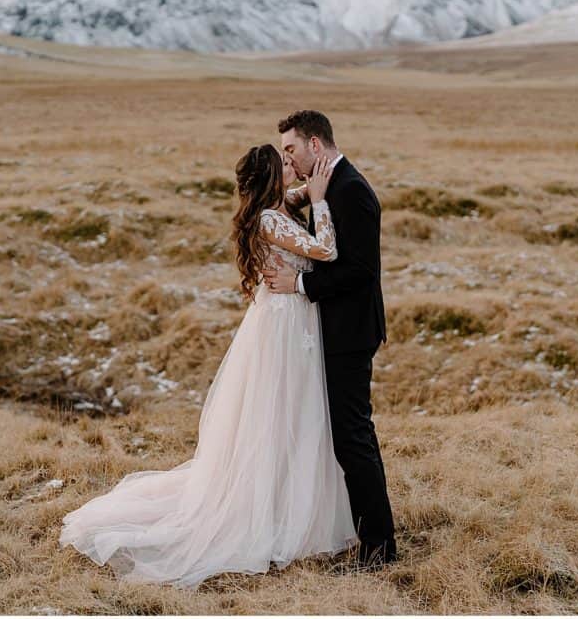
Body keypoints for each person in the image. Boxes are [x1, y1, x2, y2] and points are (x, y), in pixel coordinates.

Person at [59, 144, 358, 590]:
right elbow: (326, 251)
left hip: (286, 319)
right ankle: (275, 509)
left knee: (292, 413)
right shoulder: (271, 220)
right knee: (285, 412)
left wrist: (307, 186)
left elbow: (289, 199)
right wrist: (317, 199)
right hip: (285, 326)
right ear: (272, 179)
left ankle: (285, 498)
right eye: (284, 166)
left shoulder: (273, 209)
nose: (291, 169)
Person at [262, 109, 397, 568]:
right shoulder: (329, 184)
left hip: (350, 332)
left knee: (353, 438)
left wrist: (299, 286)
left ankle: (379, 547)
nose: (291, 159)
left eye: (292, 150)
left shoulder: (352, 190)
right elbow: (292, 201)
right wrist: (294, 195)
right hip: (335, 329)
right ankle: (362, 533)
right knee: (345, 436)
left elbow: (359, 271)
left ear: (315, 145)